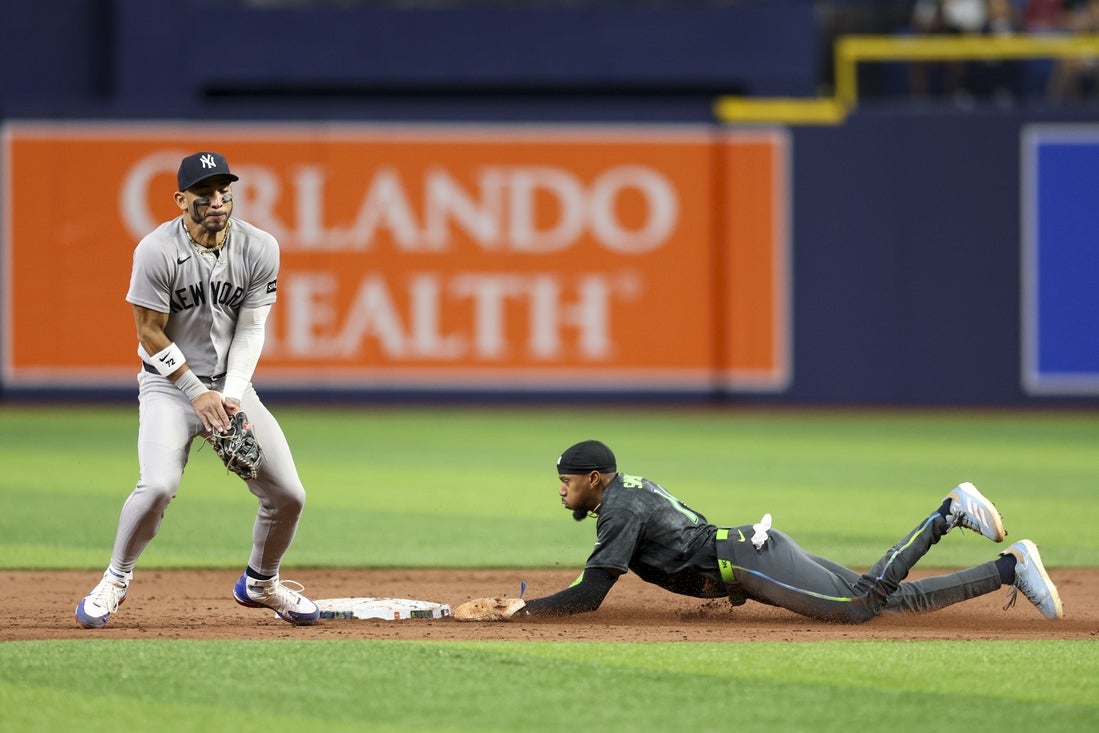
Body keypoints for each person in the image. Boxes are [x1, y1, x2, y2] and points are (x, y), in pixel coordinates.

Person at [75, 151, 320, 628]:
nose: (217, 202)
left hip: (229, 386)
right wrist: (194, 391)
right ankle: (115, 579)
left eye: (224, 192)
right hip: (168, 387)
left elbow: (251, 329)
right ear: (180, 199)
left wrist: (232, 394)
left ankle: (261, 582)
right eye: (204, 194)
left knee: (289, 494)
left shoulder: (260, 246)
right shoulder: (156, 250)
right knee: (158, 486)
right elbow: (149, 332)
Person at [459, 440, 1063, 623]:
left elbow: (591, 594)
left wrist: (523, 611)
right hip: (751, 552)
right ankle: (1010, 568)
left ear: (594, 479)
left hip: (749, 560)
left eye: (566, 482)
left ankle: (947, 513)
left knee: (859, 606)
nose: (561, 491)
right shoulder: (626, 493)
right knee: (889, 602)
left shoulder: (618, 508)